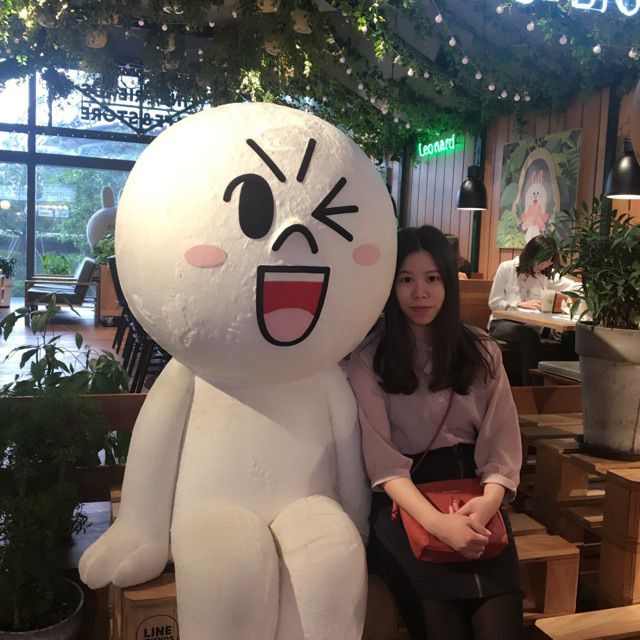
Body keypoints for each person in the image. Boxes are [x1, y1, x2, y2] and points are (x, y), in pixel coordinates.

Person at [348, 225, 523, 640]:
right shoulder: (370, 359)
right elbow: (383, 464)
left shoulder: (482, 350)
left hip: (477, 496)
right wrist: (437, 524)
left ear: (448, 282)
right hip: (405, 501)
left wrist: (487, 504)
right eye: (406, 280)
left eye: (431, 278)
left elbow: (501, 441)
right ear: (390, 286)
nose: (420, 292)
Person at [488, 235, 578, 386]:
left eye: (548, 261)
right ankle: (533, 389)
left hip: (535, 325)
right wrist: (518, 304)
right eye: (542, 261)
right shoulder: (507, 268)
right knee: (529, 335)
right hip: (501, 323)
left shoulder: (545, 273)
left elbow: (572, 286)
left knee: (571, 335)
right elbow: (494, 303)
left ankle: (566, 388)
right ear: (531, 255)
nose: (544, 265)